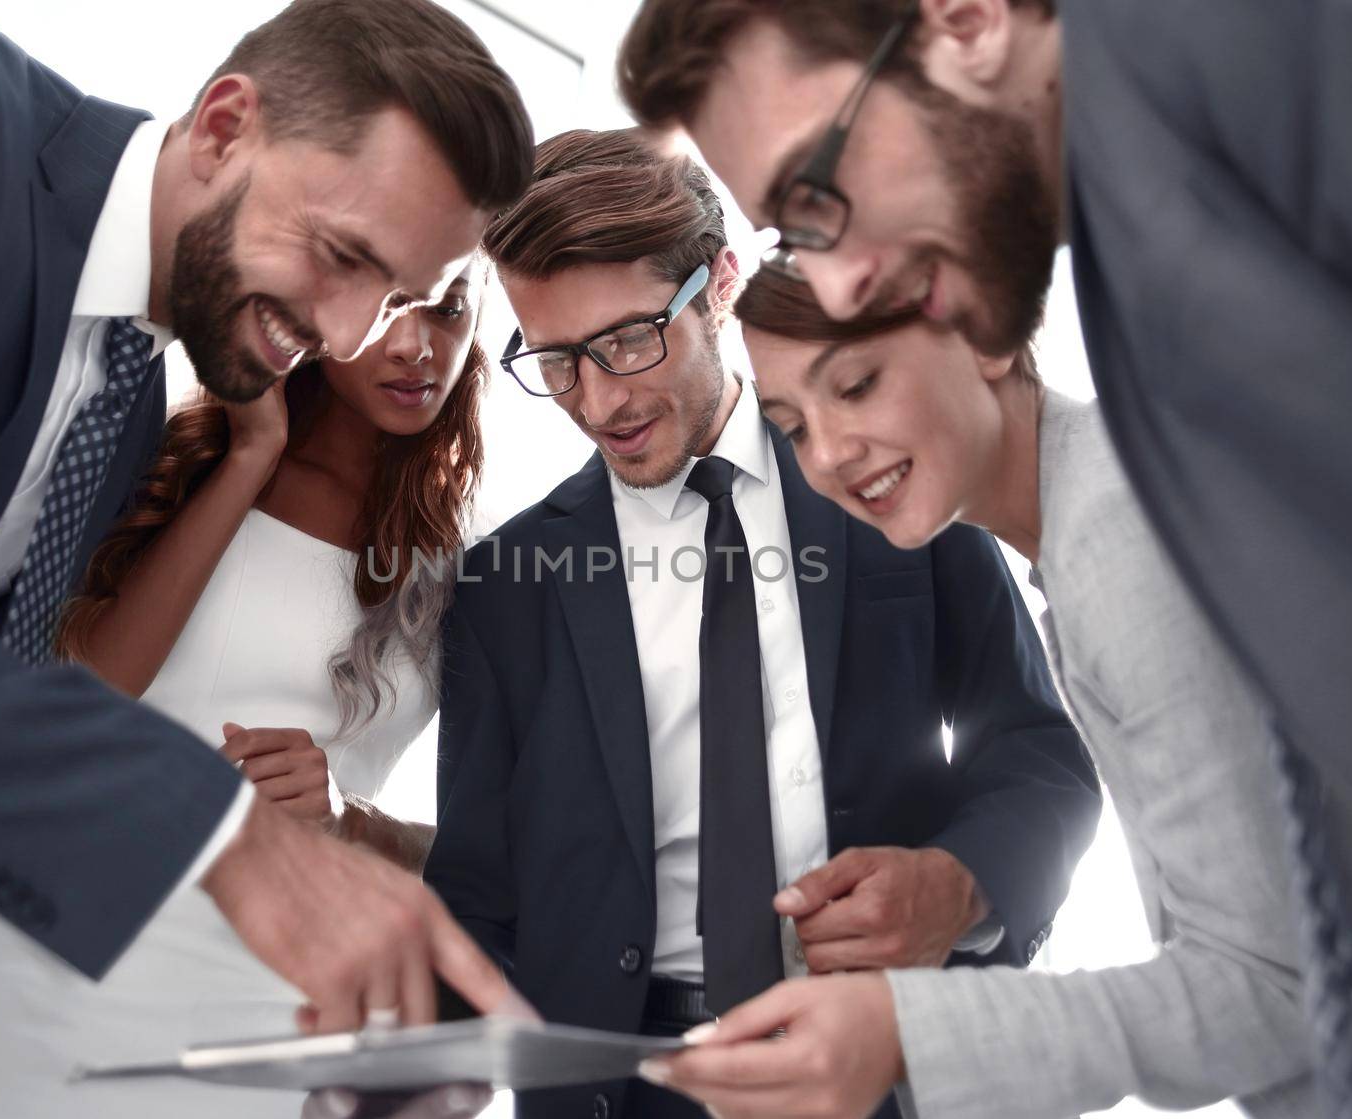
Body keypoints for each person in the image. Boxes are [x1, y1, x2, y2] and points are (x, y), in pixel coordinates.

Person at [616, 0, 1352, 1104]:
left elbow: (1270, 984)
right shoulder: (1086, 520)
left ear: (982, 339)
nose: (826, 454)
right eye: (789, 427)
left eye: (859, 381)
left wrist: (903, 1032)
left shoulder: (1123, 533)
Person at [0, 1, 532, 1115]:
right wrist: (217, 836)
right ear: (226, 126)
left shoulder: (125, 404)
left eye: (395, 297)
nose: (344, 333)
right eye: (343, 257)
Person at [422, 128, 1101, 1119]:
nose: (600, 400)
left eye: (625, 341)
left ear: (721, 283)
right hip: (624, 1091)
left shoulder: (892, 477)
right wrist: (422, 1058)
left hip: (891, 1065)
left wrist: (957, 887)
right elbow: (479, 893)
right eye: (558, 362)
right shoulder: (503, 586)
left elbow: (1039, 756)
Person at [0, 259, 490, 1119]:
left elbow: (504, 855)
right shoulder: (169, 461)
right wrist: (253, 453)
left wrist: (347, 813)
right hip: (57, 950)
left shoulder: (472, 574)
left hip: (269, 1001)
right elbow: (86, 693)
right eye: (398, 306)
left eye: (451, 313)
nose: (417, 346)